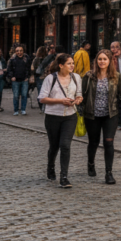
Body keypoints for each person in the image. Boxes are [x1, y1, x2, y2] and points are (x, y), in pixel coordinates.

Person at [81, 50, 121, 184]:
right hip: (92, 114)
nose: (102, 62)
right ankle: (91, 163)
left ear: (110, 61)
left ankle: (109, 173)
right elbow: (82, 94)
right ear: (96, 61)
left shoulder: (116, 76)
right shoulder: (89, 76)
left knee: (108, 142)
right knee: (94, 142)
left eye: (105, 59)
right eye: (100, 59)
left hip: (110, 114)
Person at [39, 54, 83, 187]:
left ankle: (64, 176)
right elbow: (42, 98)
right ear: (61, 65)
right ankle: (50, 166)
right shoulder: (50, 78)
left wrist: (77, 100)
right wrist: (61, 101)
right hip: (53, 116)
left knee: (65, 145)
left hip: (70, 116)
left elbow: (79, 95)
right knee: (54, 146)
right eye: (69, 63)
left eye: (73, 63)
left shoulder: (76, 78)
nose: (72, 66)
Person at [5, 45, 32, 116]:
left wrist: (28, 76)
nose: (19, 52)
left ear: (23, 51)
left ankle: (23, 109)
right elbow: (9, 69)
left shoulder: (26, 58)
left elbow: (29, 68)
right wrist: (11, 76)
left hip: (24, 80)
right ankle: (16, 110)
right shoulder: (12, 59)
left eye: (21, 51)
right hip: (15, 80)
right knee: (16, 96)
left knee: (24, 95)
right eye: (17, 51)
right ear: (15, 51)